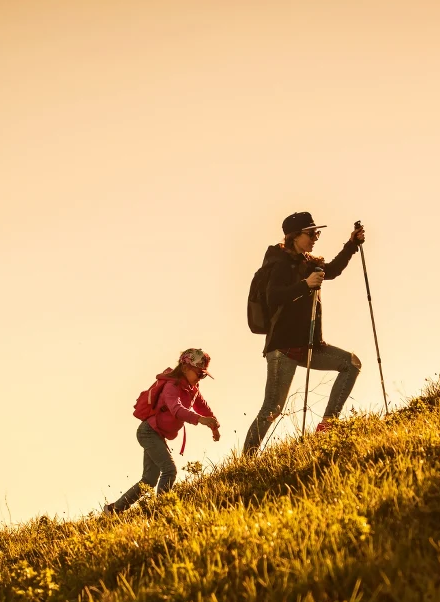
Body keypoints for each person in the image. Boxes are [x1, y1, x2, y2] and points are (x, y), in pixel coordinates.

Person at [243, 212, 365, 456]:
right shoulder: (278, 263)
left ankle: (328, 425)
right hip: (283, 347)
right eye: (310, 233)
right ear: (294, 236)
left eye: (316, 233)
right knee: (273, 408)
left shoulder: (309, 262)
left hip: (309, 344)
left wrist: (352, 244)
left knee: (351, 364)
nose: (314, 238)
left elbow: (331, 271)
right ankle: (246, 459)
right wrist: (305, 285)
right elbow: (273, 296)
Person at [104, 349, 220, 514]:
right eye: (199, 374)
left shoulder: (192, 388)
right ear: (186, 367)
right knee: (169, 470)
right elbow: (176, 409)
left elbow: (202, 405)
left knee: (149, 479)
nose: (200, 378)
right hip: (148, 432)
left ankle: (114, 509)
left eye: (203, 375)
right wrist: (200, 419)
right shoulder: (171, 386)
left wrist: (213, 423)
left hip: (156, 434)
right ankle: (162, 511)